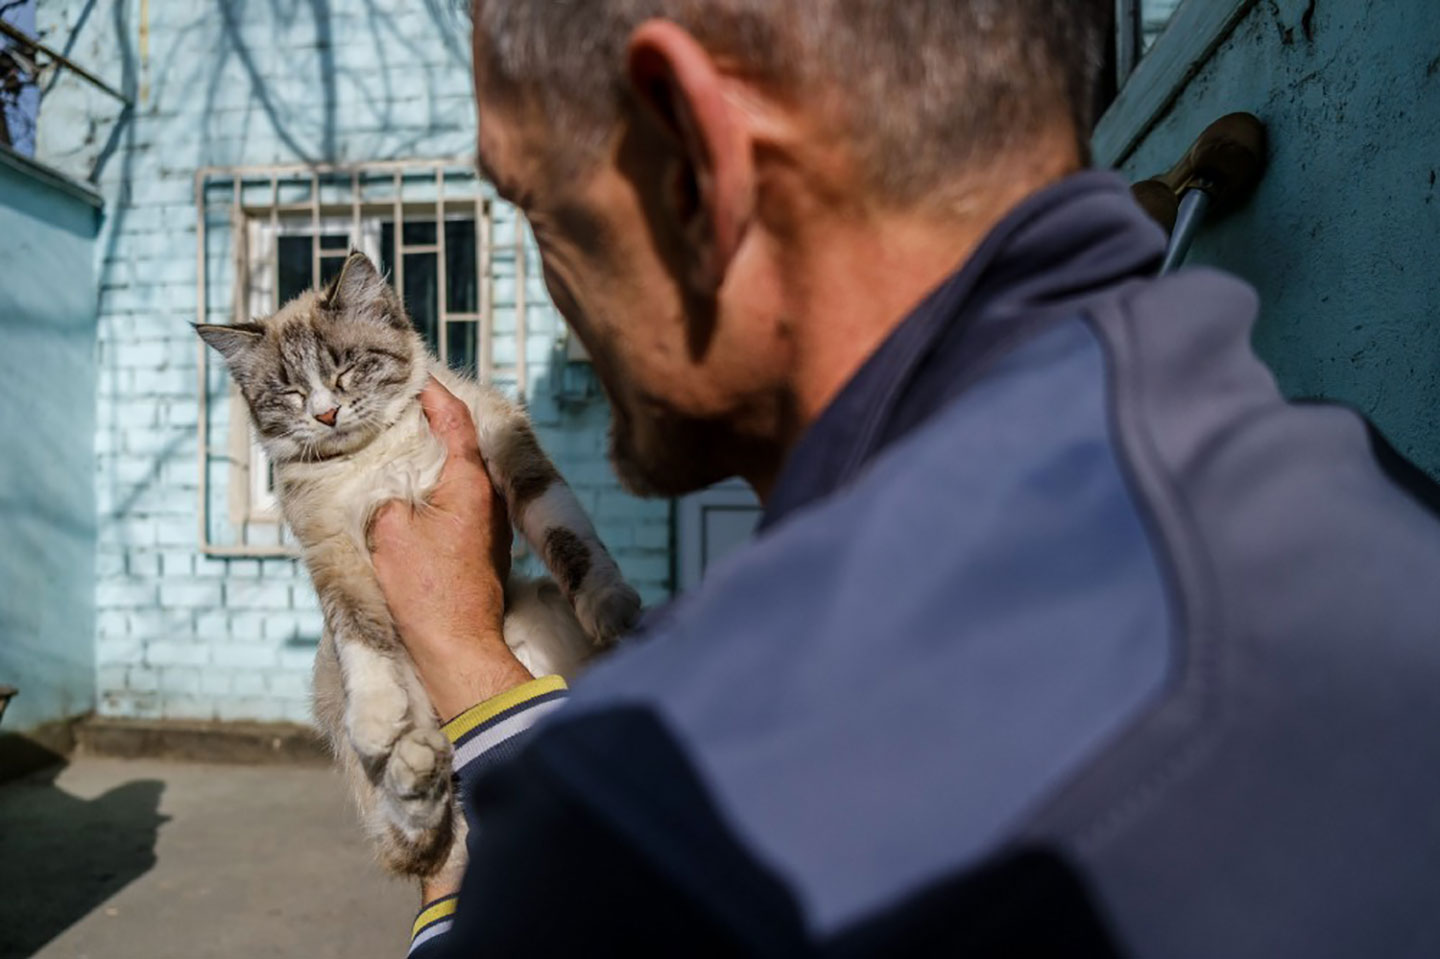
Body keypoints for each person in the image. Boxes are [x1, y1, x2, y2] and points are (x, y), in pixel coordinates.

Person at [371, 2, 1440, 956]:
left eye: (545, 209)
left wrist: (465, 669)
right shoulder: (1378, 500)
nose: (561, 286)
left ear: (697, 154)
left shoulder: (672, 818)